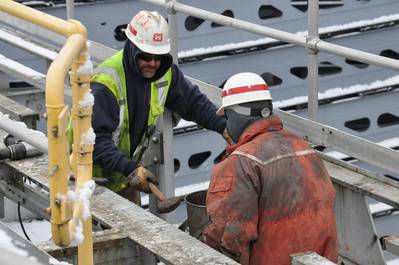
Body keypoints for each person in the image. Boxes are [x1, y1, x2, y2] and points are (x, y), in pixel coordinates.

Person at [202, 72, 338, 265]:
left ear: (234, 115)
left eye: (227, 118)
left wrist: (201, 239)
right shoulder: (304, 148)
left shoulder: (239, 163)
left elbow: (230, 239)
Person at [91, 11, 226, 203]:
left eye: (159, 57)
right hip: (89, 183)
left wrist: (225, 126)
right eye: (146, 57)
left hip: (123, 179)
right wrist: (130, 169)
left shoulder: (164, 72)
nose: (153, 64)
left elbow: (193, 103)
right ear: (131, 48)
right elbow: (95, 141)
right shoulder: (107, 84)